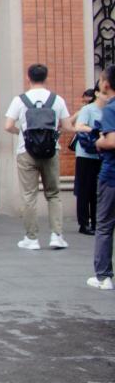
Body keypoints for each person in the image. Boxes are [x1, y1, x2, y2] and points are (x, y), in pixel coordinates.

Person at [3, 64, 74, 251]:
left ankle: (31, 238)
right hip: (51, 150)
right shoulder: (57, 99)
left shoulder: (20, 100)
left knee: (29, 196)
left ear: (28, 78)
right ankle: (56, 235)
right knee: (53, 193)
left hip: (25, 151)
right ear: (46, 78)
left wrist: (21, 133)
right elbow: (67, 126)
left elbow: (8, 125)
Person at [88, 65, 115, 290]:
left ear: (105, 84)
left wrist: (98, 141)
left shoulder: (110, 109)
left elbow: (112, 141)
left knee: (104, 225)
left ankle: (103, 276)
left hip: (111, 175)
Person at [72, 87, 103, 235]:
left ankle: (96, 223)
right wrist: (95, 130)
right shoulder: (88, 109)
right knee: (84, 190)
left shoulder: (109, 110)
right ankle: (83, 224)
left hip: (101, 154)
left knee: (97, 191)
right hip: (85, 154)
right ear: (97, 93)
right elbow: (78, 126)